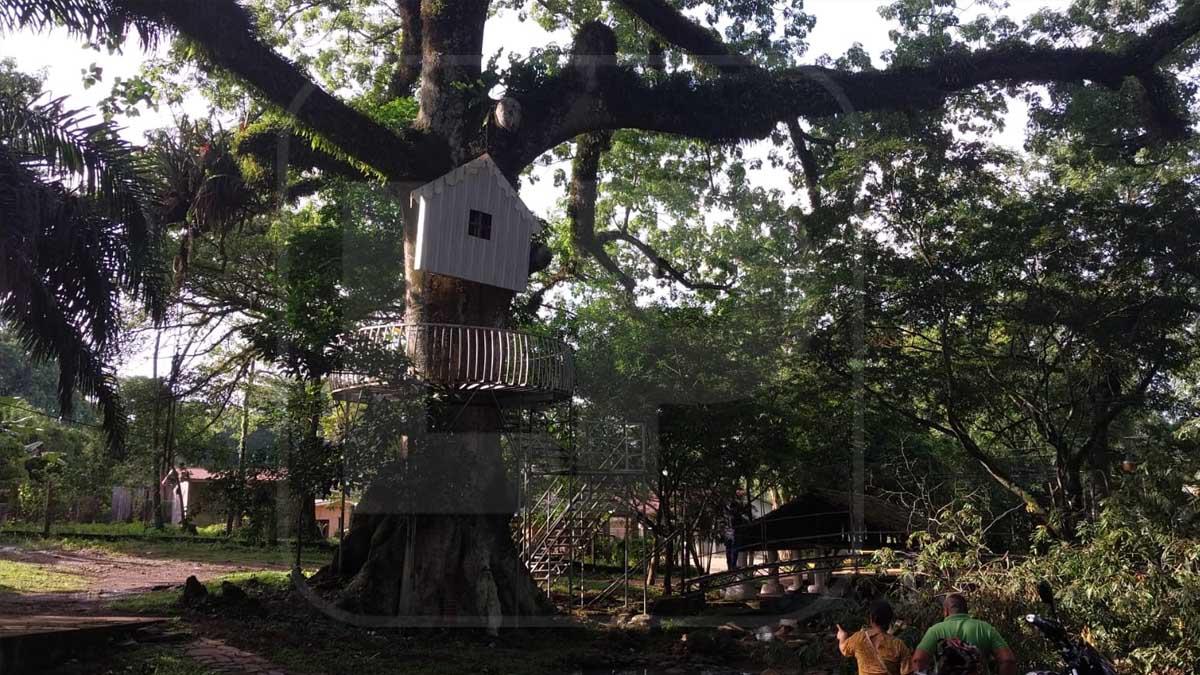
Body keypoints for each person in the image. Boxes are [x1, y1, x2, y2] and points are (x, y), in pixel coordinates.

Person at [911, 593, 1017, 675]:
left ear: (946, 611)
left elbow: (918, 660)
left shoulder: (935, 631)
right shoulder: (985, 628)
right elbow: (1008, 659)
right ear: (966, 610)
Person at [837, 599, 913, 675]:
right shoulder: (898, 645)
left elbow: (844, 649)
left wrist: (842, 636)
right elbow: (908, 672)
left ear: (872, 618)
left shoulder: (859, 637)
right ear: (890, 620)